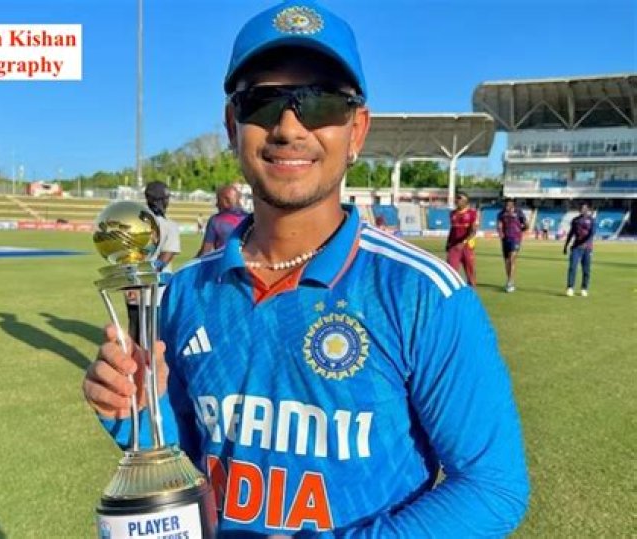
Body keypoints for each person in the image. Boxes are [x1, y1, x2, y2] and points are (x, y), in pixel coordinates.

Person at [83, 1, 529, 536]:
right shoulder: (184, 291)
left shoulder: (422, 294)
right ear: (233, 124)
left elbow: (492, 486)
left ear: (357, 130)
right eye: (263, 101)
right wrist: (138, 412)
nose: (289, 127)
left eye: (320, 103)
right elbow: (192, 457)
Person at [125, 180, 182, 342]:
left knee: (135, 332)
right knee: (154, 338)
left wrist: (132, 283)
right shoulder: (169, 226)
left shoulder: (134, 224)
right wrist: (149, 276)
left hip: (134, 285)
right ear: (162, 200)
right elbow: (167, 255)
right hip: (157, 290)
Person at [196, 183, 249, 256]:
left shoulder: (216, 221)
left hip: (225, 262)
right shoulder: (251, 219)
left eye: (218, 200)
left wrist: (192, 262)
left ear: (227, 201)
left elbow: (205, 251)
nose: (216, 204)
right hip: (248, 262)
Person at [445, 191, 478, 286]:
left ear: (466, 201)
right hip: (454, 246)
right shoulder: (452, 213)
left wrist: (463, 242)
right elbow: (453, 229)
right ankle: (453, 291)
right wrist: (448, 243)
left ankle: (472, 291)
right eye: (456, 198)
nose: (457, 200)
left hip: (467, 246)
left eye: (459, 198)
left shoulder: (472, 213)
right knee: (451, 271)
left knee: (470, 271)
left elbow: (473, 231)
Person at [563, 201, 596, 297]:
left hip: (587, 248)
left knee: (586, 270)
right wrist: (565, 245)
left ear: (587, 209)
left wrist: (584, 242)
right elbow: (571, 233)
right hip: (576, 248)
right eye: (581, 208)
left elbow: (592, 233)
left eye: (584, 208)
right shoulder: (575, 220)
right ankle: (570, 288)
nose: (582, 210)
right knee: (572, 267)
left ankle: (584, 288)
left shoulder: (591, 220)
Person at [497, 198, 528, 293]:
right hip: (505, 239)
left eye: (509, 205)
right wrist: (500, 232)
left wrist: (521, 231)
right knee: (506, 261)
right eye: (506, 205)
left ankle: (510, 282)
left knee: (512, 259)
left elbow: (526, 224)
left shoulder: (519, 212)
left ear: (513, 205)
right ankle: (509, 280)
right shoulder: (501, 213)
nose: (507, 206)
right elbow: (499, 224)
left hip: (515, 239)